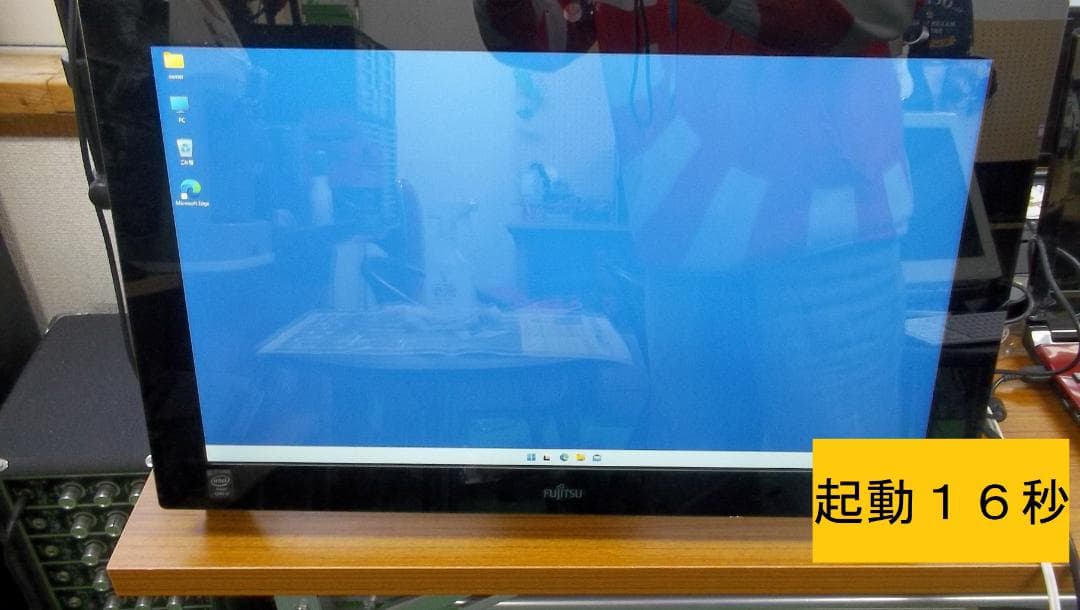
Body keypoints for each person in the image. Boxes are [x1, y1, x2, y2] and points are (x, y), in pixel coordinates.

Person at [473, 0, 927, 452]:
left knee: (838, 487)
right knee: (699, 487)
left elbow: (885, 10)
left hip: (826, 239)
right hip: (682, 242)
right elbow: (538, 44)